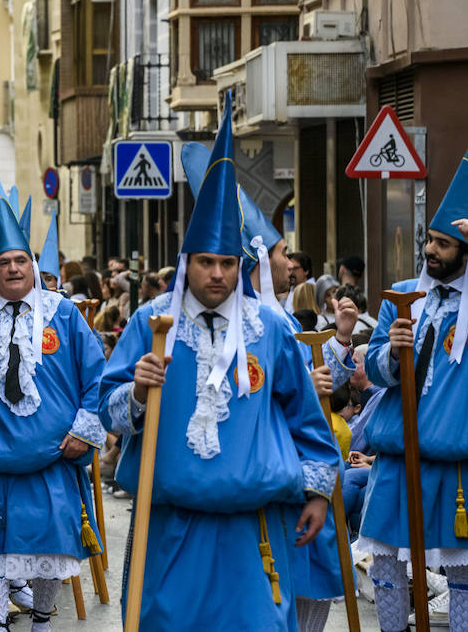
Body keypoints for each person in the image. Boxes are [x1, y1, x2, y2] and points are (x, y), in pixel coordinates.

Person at [98, 93, 341, 632]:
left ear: (240, 266)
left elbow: (307, 420)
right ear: (188, 263)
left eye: (227, 263)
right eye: (205, 262)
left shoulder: (271, 328)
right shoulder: (152, 323)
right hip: (171, 525)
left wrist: (318, 494)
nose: (217, 275)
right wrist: (136, 392)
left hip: (253, 529)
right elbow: (106, 415)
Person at [0, 184, 106, 632]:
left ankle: (42, 620)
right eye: (3, 263)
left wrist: (85, 432)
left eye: (20, 261)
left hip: (54, 454)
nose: (13, 268)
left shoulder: (64, 314)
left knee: (49, 548)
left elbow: (98, 377)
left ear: (32, 265)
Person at [360, 152, 468, 632]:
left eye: (444, 244)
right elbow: (372, 369)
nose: (431, 250)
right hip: (395, 458)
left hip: (455, 464)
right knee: (385, 569)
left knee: (464, 573)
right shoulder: (402, 294)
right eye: (430, 239)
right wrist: (391, 353)